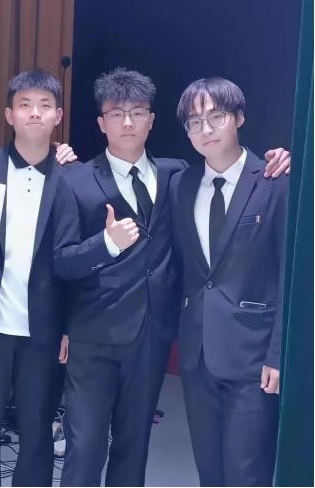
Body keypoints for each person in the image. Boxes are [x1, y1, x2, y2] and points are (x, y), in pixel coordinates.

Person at [52, 67, 290, 486]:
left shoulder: (178, 176)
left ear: (151, 119)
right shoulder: (79, 178)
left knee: (137, 449)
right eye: (116, 114)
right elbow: (61, 261)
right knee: (85, 449)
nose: (128, 122)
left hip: (161, 339)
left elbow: (286, 271)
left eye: (137, 112)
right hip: (97, 336)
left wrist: (284, 156)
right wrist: (105, 246)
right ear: (101, 122)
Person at [170, 77, 286, 486]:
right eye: (194, 122)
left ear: (238, 117)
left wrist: (279, 355)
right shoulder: (181, 185)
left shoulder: (275, 180)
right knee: (210, 473)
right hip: (198, 354)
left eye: (215, 116)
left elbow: (289, 276)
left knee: (247, 474)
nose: (205, 129)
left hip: (254, 357)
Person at [0, 69, 69, 486]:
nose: (34, 113)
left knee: (37, 432)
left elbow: (75, 261)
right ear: (9, 115)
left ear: (58, 115)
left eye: (44, 106)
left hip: (44, 327)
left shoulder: (73, 175)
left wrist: (71, 326)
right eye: (25, 105)